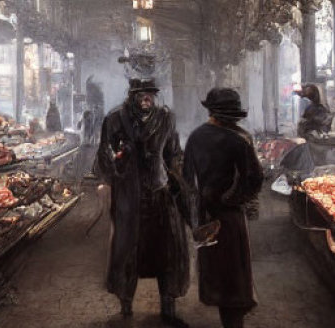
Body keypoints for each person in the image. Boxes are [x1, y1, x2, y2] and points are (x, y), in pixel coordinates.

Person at [94, 79, 189, 325]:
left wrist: (179, 180)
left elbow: (174, 152)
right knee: (127, 250)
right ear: (132, 95)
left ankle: (168, 302)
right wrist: (111, 171)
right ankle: (126, 303)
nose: (147, 98)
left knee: (168, 249)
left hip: (160, 193)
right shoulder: (116, 118)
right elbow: (104, 152)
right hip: (129, 194)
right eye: (142, 94)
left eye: (151, 94)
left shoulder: (166, 118)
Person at [184, 88, 264, 328]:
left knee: (216, 270)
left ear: (210, 111)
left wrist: (194, 214)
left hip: (205, 215)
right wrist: (233, 199)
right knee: (235, 274)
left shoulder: (196, 137)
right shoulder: (240, 139)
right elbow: (254, 180)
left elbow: (187, 181)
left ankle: (228, 317)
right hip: (230, 217)